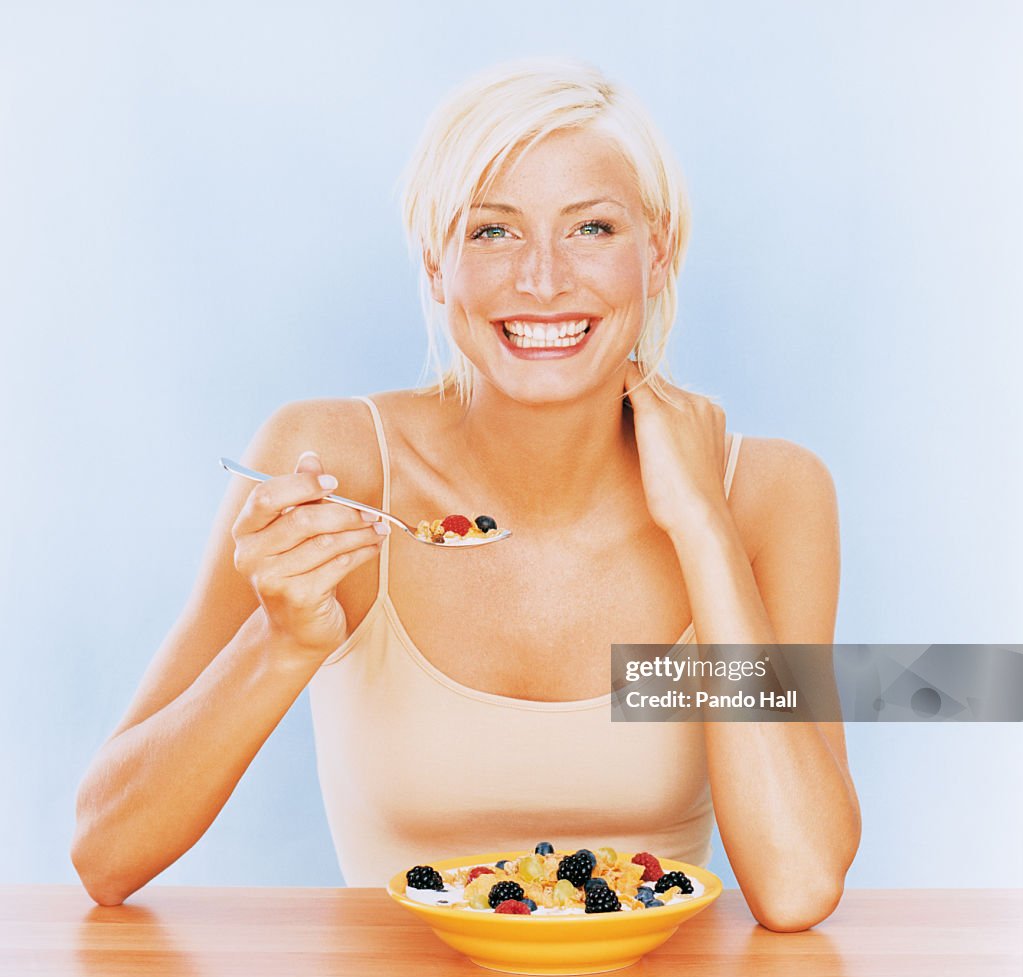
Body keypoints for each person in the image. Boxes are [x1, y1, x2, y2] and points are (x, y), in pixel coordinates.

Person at [71, 58, 860, 931]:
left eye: (592, 227)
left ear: (657, 249)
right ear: (435, 263)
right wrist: (283, 641)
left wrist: (703, 533)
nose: (544, 280)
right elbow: (105, 852)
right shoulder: (337, 465)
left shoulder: (770, 495)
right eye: (493, 232)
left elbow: (796, 885)